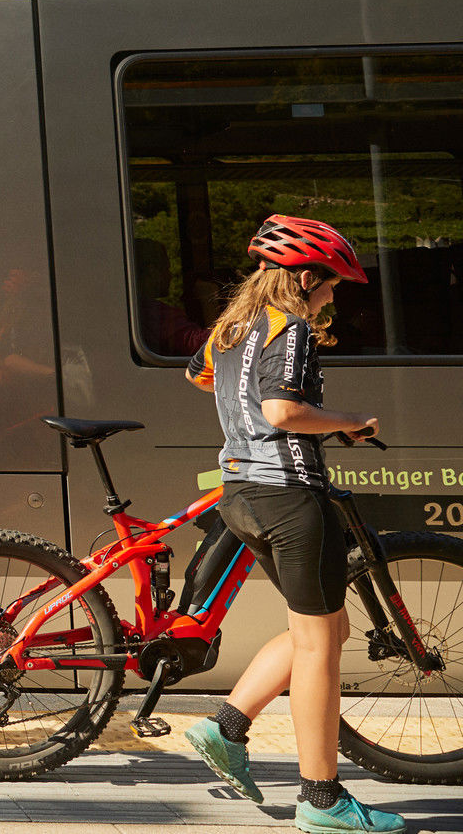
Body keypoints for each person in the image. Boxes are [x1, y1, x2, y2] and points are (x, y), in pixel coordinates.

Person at [181, 215, 400, 834]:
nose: (330, 297)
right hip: (289, 497)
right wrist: (349, 420)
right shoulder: (291, 327)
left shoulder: (232, 328)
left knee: (324, 628)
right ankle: (322, 799)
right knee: (320, 646)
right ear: (305, 278)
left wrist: (248, 409)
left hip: (240, 496)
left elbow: (198, 375)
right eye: (329, 285)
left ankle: (225, 728)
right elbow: (282, 411)